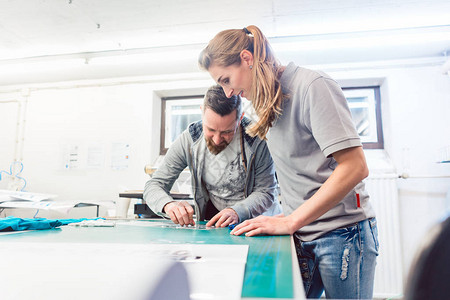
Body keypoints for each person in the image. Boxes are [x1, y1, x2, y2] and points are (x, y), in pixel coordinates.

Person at [198, 25, 379, 299]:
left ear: (247, 59)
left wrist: (292, 220)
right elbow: (304, 173)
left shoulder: (313, 86)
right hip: (302, 233)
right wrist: (286, 217)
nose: (227, 92)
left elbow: (355, 166)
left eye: (226, 79)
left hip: (342, 234)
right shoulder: (266, 102)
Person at [144, 84, 281, 228]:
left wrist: (237, 211)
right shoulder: (189, 139)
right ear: (202, 112)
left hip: (259, 224)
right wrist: (168, 205)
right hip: (218, 224)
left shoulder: (257, 139)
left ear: (240, 118)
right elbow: (154, 185)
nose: (217, 139)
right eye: (210, 129)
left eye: (227, 132)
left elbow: (266, 191)